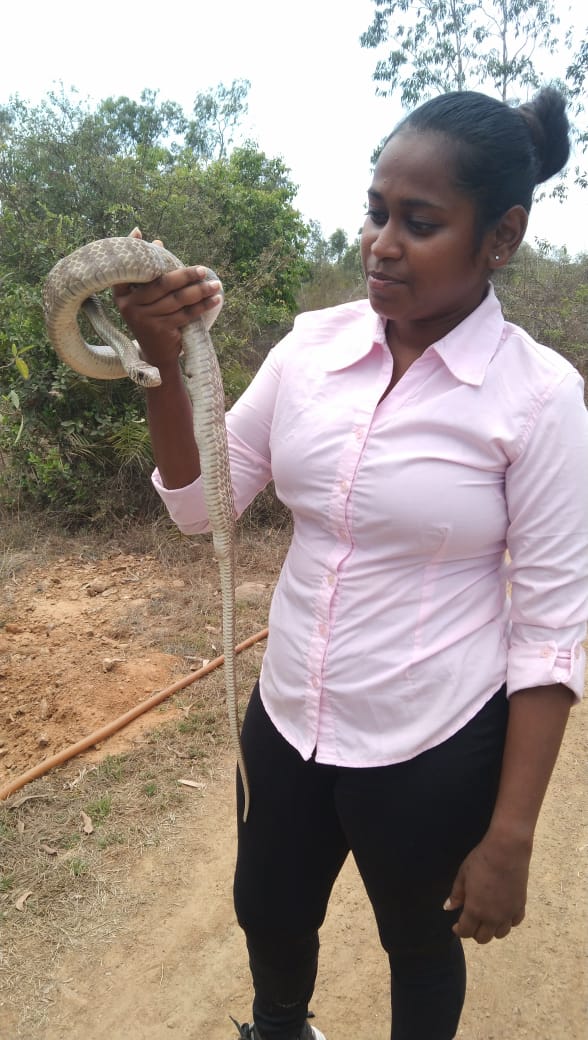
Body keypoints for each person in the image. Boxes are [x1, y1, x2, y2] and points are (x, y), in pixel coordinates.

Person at [113, 86, 588, 1040]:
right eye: (376, 212)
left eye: (420, 222)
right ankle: (280, 1029)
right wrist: (161, 356)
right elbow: (203, 508)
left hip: (431, 737)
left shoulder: (539, 399)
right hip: (287, 714)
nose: (382, 242)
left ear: (501, 236)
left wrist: (510, 837)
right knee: (268, 908)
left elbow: (551, 628)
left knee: (419, 936)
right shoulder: (310, 349)